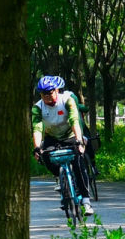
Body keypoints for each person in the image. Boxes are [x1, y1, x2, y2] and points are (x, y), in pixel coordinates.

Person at [32, 75, 93, 216]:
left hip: (70, 135)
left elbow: (74, 120)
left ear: (57, 90)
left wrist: (79, 140)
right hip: (52, 137)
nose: (47, 96)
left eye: (50, 92)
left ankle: (86, 200)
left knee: (78, 162)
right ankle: (61, 178)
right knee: (45, 157)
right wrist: (37, 147)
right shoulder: (37, 108)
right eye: (43, 94)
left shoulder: (67, 100)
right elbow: (37, 128)